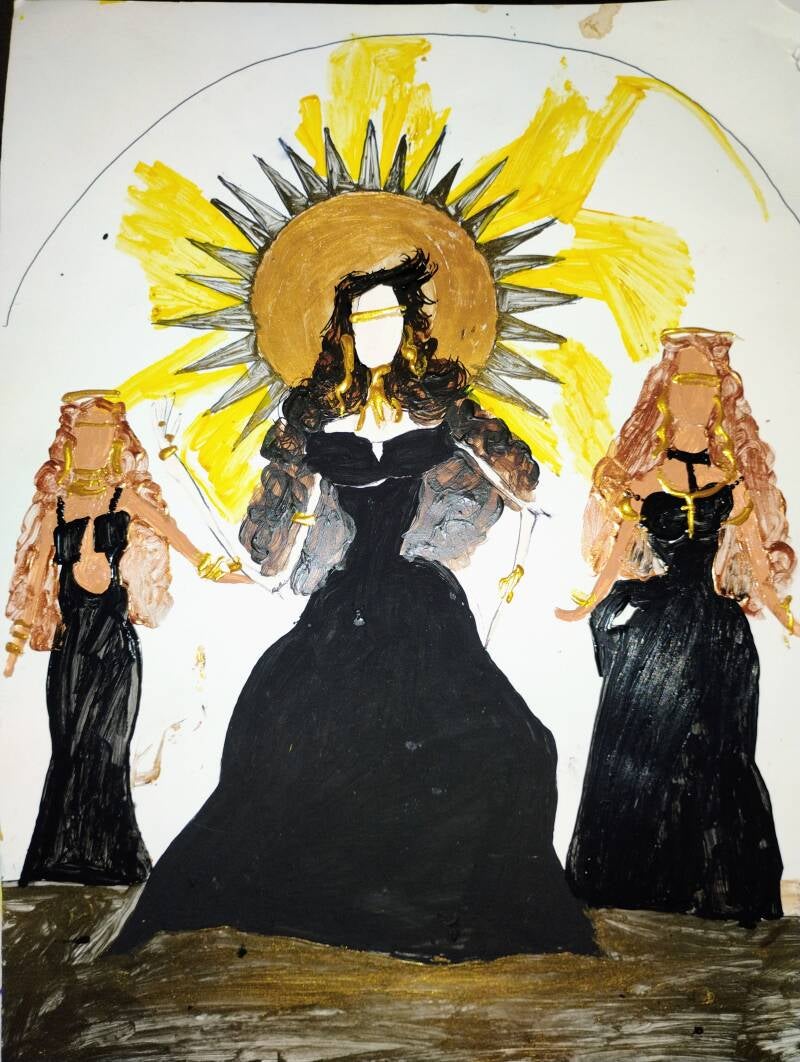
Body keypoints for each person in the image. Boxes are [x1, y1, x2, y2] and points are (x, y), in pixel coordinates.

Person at [110, 251, 596, 960]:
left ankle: (439, 907)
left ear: (411, 325)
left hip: (422, 604)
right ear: (343, 329)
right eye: (362, 319)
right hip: (342, 606)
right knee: (292, 731)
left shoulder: (445, 410)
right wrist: (294, 497)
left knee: (508, 742)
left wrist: (481, 455)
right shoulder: (309, 420)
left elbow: (522, 481)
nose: (376, 331)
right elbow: (266, 541)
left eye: (389, 316)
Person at [558, 329, 796, 923]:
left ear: (719, 396)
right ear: (665, 393)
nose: (694, 395)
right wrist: (586, 606)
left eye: (705, 384)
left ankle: (713, 887)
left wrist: (788, 616)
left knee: (715, 751)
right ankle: (637, 882)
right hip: (659, 627)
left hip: (714, 631)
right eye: (684, 383)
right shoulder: (642, 485)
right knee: (644, 747)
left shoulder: (732, 487)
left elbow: (757, 568)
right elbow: (616, 560)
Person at [5, 391, 247, 886]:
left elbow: (185, 545)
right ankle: (58, 860)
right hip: (71, 649)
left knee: (109, 750)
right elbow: (33, 580)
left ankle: (112, 862)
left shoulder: (125, 500)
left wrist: (233, 575)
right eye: (86, 432)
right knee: (68, 748)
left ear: (118, 443)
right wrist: (14, 645)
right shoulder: (55, 507)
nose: (95, 443)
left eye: (104, 433)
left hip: (116, 649)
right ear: (70, 440)